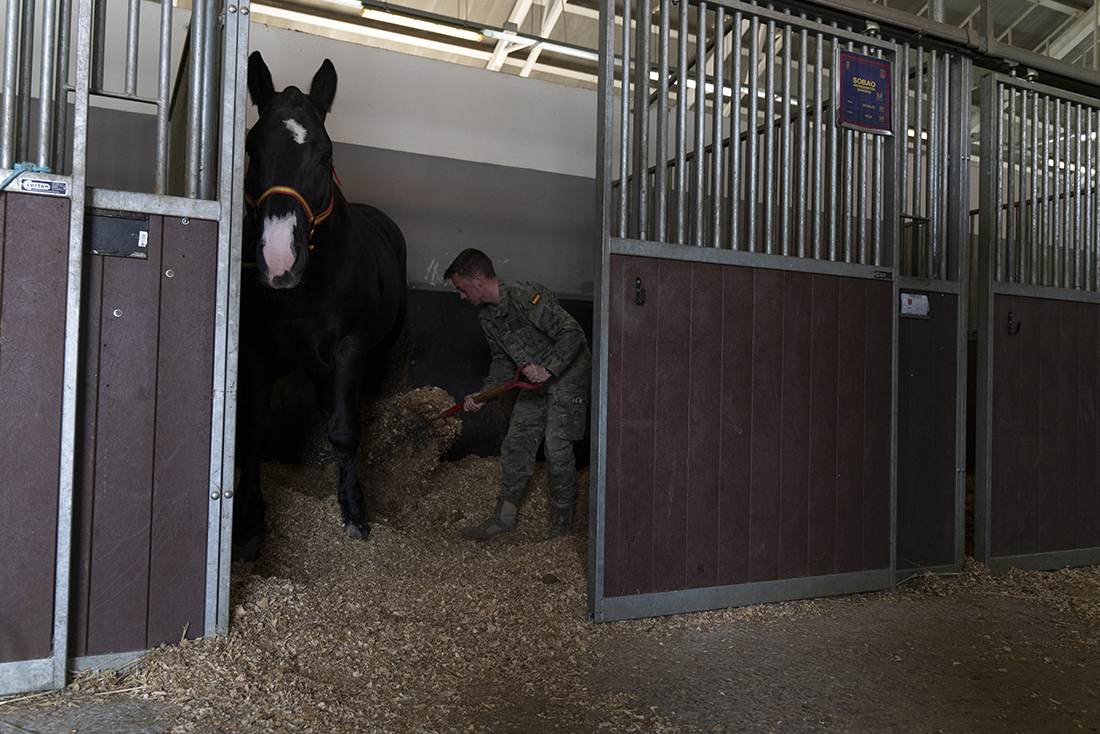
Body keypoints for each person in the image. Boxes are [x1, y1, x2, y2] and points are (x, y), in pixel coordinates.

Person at [444, 248, 591, 541]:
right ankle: (504, 519)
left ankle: (562, 526)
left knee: (556, 448)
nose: (461, 296)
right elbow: (502, 360)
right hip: (533, 380)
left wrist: (548, 369)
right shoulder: (487, 315)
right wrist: (484, 395)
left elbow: (572, 332)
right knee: (516, 444)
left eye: (462, 288)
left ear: (478, 280)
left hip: (568, 374)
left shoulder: (523, 296)